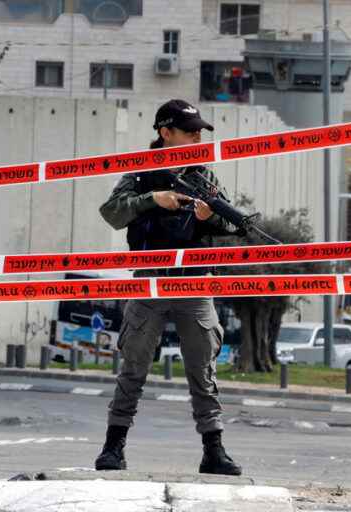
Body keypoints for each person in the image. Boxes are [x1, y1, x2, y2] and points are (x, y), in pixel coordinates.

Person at [94, 99, 242, 476]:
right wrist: (152, 200)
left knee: (202, 369)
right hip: (150, 283)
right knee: (134, 367)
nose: (197, 137)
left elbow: (230, 225)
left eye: (199, 132)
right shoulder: (139, 173)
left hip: (194, 284)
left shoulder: (203, 175)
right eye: (190, 131)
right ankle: (114, 447)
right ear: (165, 133)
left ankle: (214, 451)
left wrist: (212, 220)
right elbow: (111, 212)